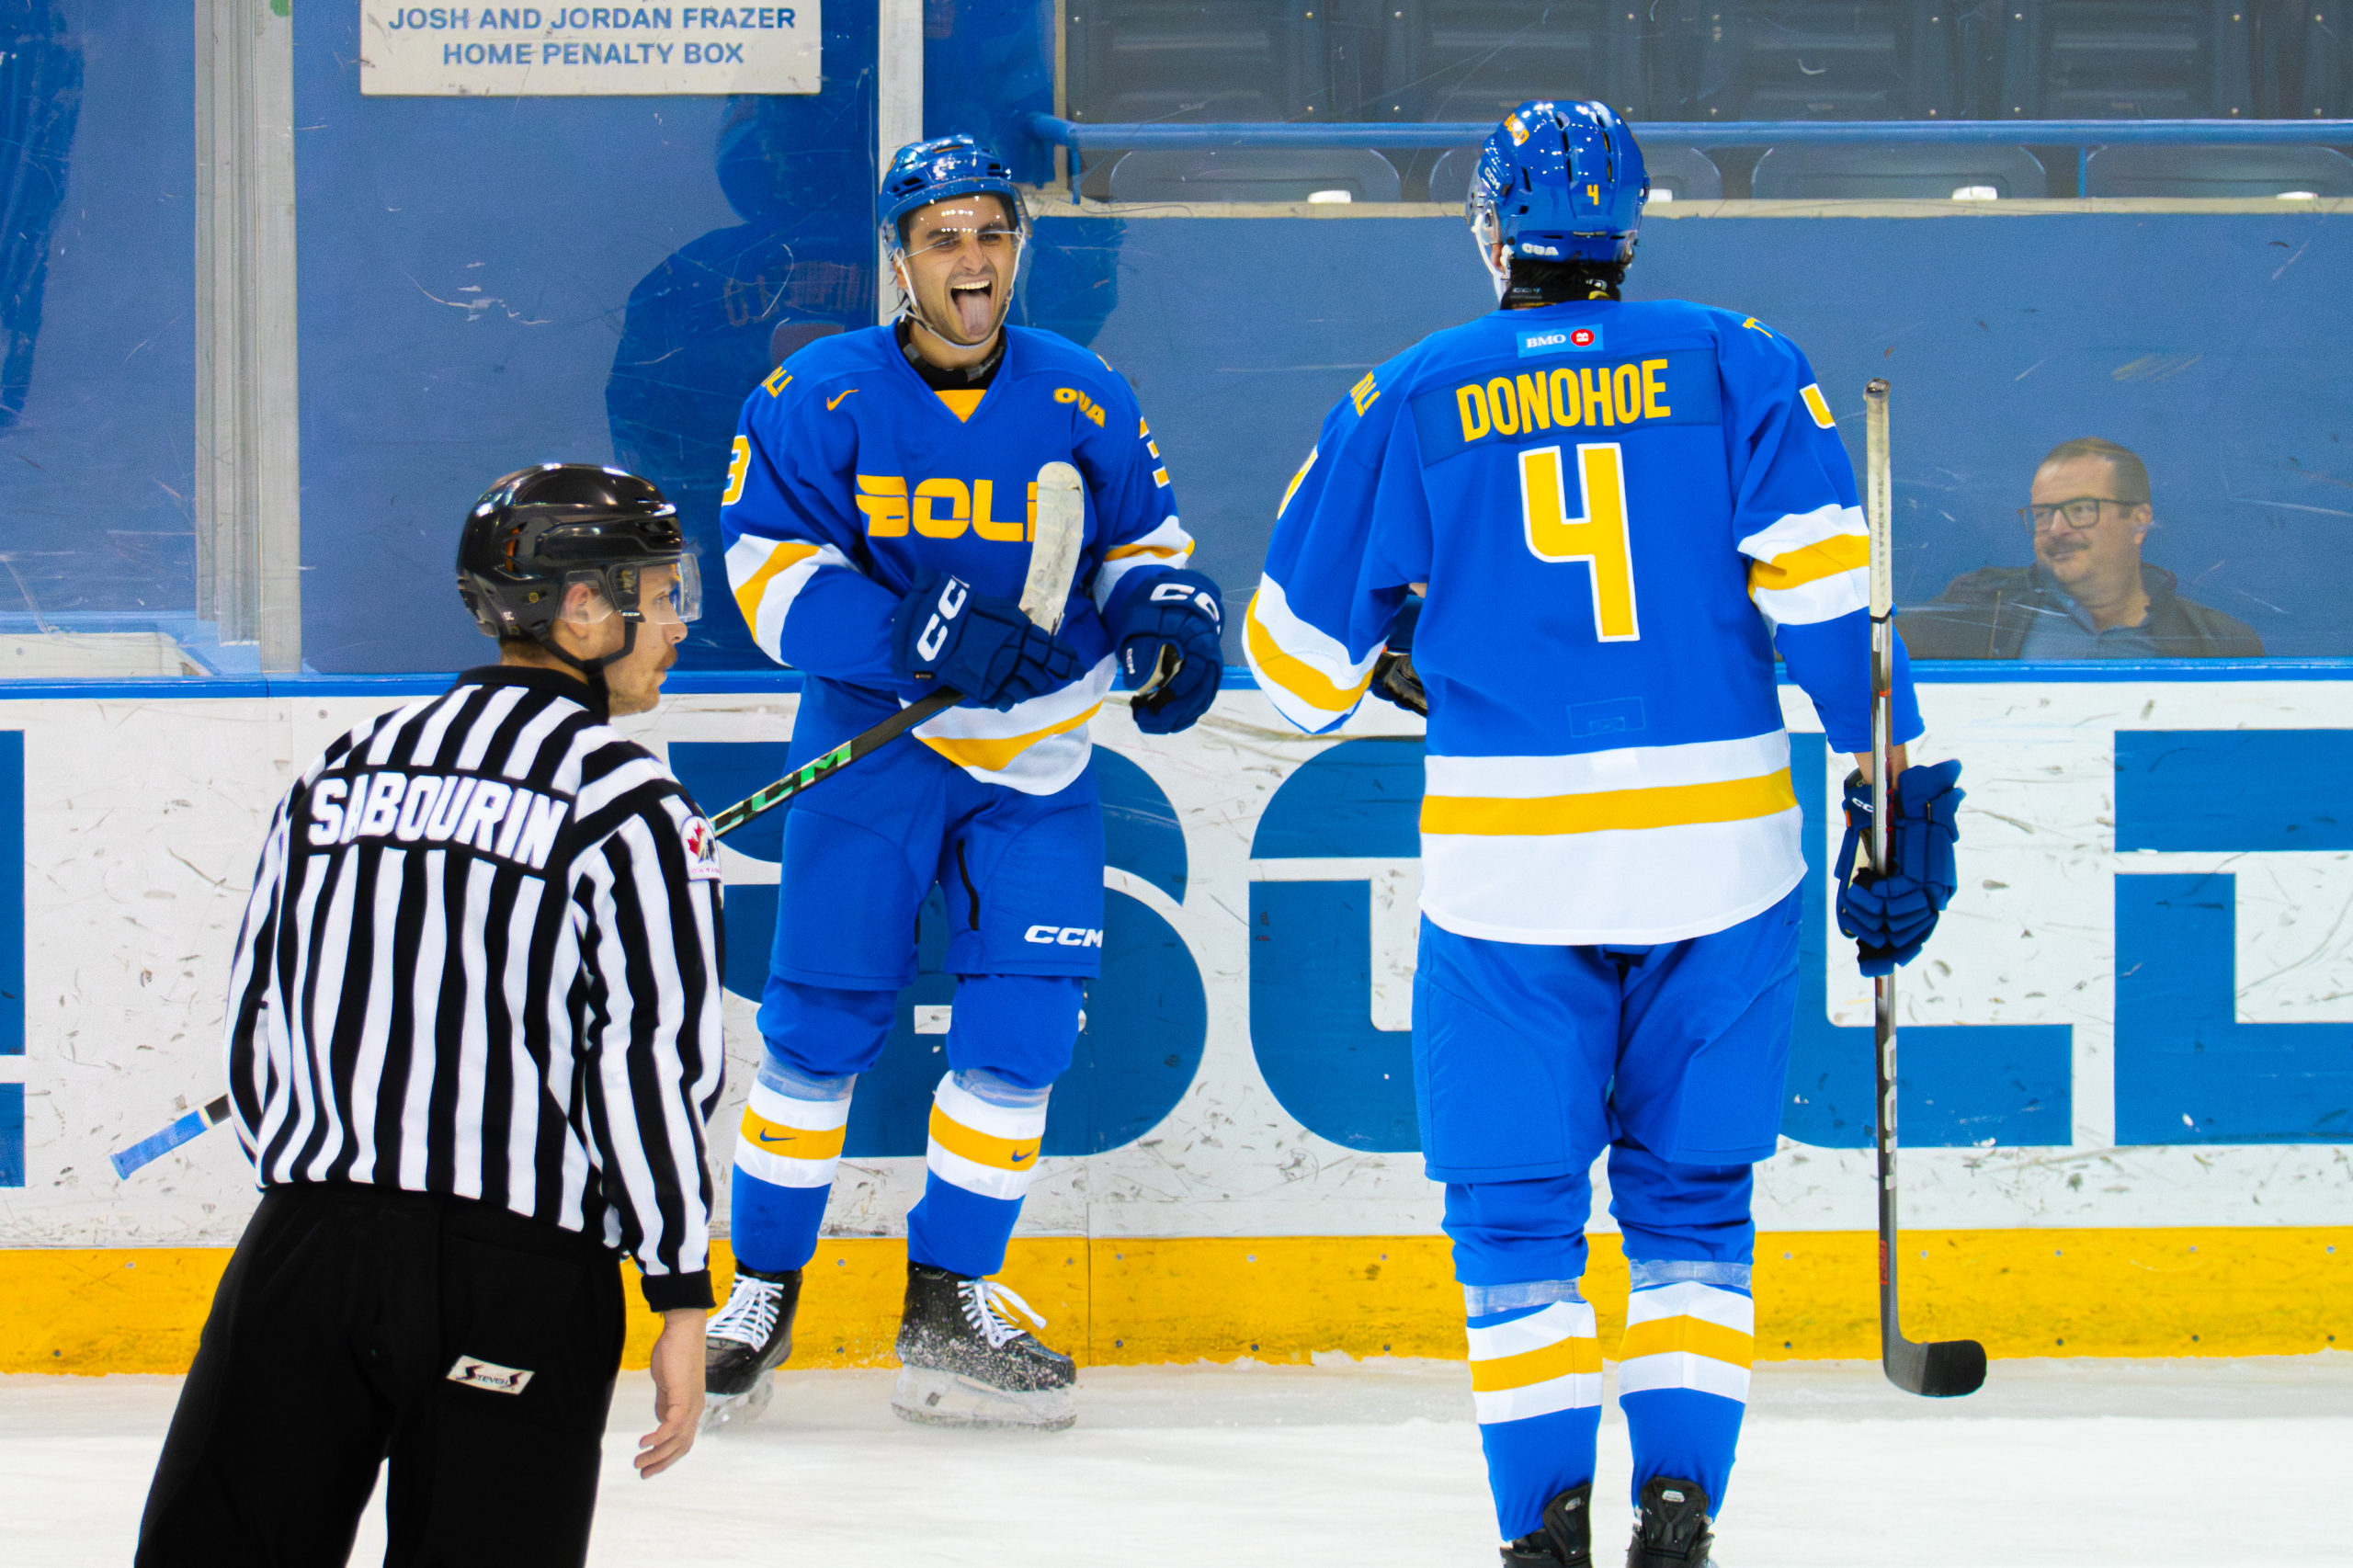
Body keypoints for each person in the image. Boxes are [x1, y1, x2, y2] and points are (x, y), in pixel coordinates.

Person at [1245, 103, 1962, 1567]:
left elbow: (1295, 670)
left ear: (1492, 232)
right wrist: (1901, 800)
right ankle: (1680, 1506)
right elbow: (1835, 614)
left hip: (1513, 872)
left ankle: (1546, 1526)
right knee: (1694, 1204)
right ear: (1631, 230)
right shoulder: (1741, 358)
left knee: (1516, 1220)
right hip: (1723, 857)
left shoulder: (1409, 390)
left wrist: (1411, 645)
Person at [707, 134, 1224, 1432]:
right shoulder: (816, 392)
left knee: (1022, 1039)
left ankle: (949, 1301)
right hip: (875, 750)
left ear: (1018, 248)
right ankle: (760, 1292)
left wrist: (1163, 614)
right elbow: (766, 573)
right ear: (900, 258)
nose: (971, 257)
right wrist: (914, 636)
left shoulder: (1083, 391)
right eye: (942, 236)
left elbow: (1143, 544)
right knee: (816, 1024)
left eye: (992, 231)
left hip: (1038, 765)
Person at [135, 464, 727, 1568]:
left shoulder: (343, 766)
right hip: (520, 1273)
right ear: (581, 606)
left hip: (303, 1250)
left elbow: (259, 1008)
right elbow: (649, 1065)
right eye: (659, 592)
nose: (678, 622)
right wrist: (680, 1290)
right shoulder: (636, 804)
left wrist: (322, 1185)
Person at [1898, 437, 2262, 658]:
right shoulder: (1977, 613)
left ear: (2139, 521)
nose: (2056, 530)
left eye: (2080, 510)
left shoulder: (2216, 641)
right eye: (2043, 514)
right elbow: (1877, 668)